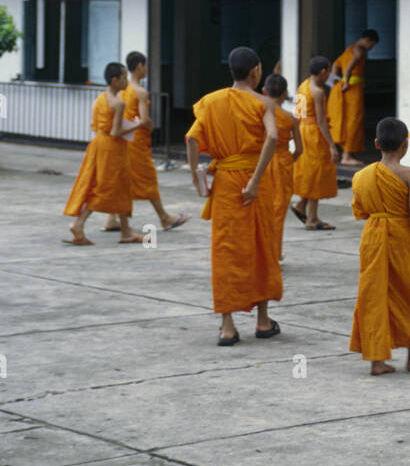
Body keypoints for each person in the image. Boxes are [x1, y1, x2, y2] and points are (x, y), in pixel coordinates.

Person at [185, 46, 282, 346]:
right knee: (261, 246)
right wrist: (254, 181)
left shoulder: (211, 102)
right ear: (255, 71)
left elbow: (191, 138)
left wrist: (195, 177)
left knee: (226, 249)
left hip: (226, 182)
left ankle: (228, 326)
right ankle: (263, 321)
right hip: (257, 182)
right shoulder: (263, 102)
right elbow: (274, 137)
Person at [349, 116, 410, 376]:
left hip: (372, 238)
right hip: (402, 237)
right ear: (405, 145)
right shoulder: (409, 174)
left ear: (376, 143)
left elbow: (360, 211)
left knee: (373, 294)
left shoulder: (361, 176)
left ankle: (377, 360)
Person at [102, 51, 187, 235]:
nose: (147, 69)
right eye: (145, 65)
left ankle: (111, 218)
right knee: (148, 178)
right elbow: (145, 119)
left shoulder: (121, 90)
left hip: (123, 139)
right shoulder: (140, 92)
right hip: (137, 140)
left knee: (123, 179)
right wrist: (151, 127)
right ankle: (164, 217)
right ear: (139, 66)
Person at [63, 62, 144, 245]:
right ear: (115, 80)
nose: (126, 81)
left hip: (99, 143)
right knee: (105, 188)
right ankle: (79, 223)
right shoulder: (118, 102)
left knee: (120, 185)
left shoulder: (100, 98)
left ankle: (126, 231)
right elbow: (115, 132)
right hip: (112, 147)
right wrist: (138, 125)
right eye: (123, 77)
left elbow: (98, 124)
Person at [292, 55, 339, 230]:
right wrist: (332, 145)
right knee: (317, 173)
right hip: (314, 134)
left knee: (310, 171)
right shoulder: (317, 92)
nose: (329, 77)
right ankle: (312, 218)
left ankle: (301, 205)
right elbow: (321, 121)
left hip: (303, 131)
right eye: (328, 72)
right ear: (323, 71)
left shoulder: (303, 85)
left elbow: (297, 115)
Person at [326, 29, 380, 166]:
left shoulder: (349, 49)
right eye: (372, 46)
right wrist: (347, 81)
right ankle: (347, 155)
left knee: (344, 119)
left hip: (344, 88)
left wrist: (334, 82)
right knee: (353, 121)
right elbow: (350, 67)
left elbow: (335, 65)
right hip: (352, 88)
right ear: (368, 40)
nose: (370, 49)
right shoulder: (359, 50)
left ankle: (347, 152)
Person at [263, 73, 301, 259]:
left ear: (264, 91)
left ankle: (261, 250)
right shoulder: (290, 117)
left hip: (261, 162)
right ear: (285, 92)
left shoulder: (259, 114)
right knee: (279, 209)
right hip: (283, 162)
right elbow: (300, 149)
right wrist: (288, 160)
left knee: (263, 208)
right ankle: (275, 252)